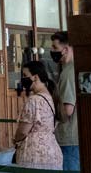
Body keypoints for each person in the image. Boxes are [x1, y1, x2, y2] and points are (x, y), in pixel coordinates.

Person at [13, 61, 63, 170]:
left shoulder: (33, 100)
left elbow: (23, 131)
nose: (23, 79)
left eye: (25, 75)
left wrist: (15, 139)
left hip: (33, 154)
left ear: (35, 77)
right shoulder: (52, 97)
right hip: (52, 151)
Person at [51, 31, 79, 171]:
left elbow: (67, 109)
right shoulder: (72, 69)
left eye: (55, 48)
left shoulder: (68, 73)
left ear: (66, 49)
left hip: (69, 137)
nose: (52, 51)